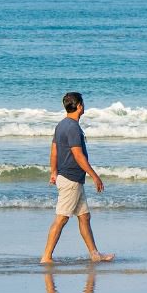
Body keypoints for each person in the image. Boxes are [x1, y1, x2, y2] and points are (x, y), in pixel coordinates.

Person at [40, 92, 114, 264]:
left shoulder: (61, 125)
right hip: (70, 180)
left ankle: (95, 254)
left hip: (72, 179)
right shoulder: (72, 127)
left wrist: (53, 172)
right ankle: (47, 256)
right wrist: (95, 176)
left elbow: (54, 150)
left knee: (84, 217)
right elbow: (78, 155)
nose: (84, 106)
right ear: (79, 105)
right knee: (61, 218)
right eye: (83, 103)